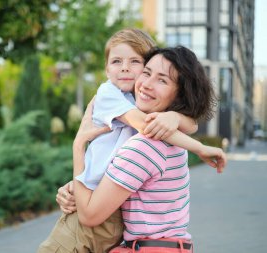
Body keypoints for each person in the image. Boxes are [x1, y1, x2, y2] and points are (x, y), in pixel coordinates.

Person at [38, 29, 198, 253]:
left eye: (135, 62)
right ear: (106, 69)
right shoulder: (110, 94)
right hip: (103, 201)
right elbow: (152, 128)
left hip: (103, 209)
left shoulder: (143, 109)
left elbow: (187, 126)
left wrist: (178, 119)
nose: (124, 68)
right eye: (116, 61)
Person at [71, 46, 227, 253]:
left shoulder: (144, 147)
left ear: (180, 94)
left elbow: (89, 215)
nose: (146, 85)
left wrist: (78, 146)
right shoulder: (173, 139)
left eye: (162, 80)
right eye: (146, 73)